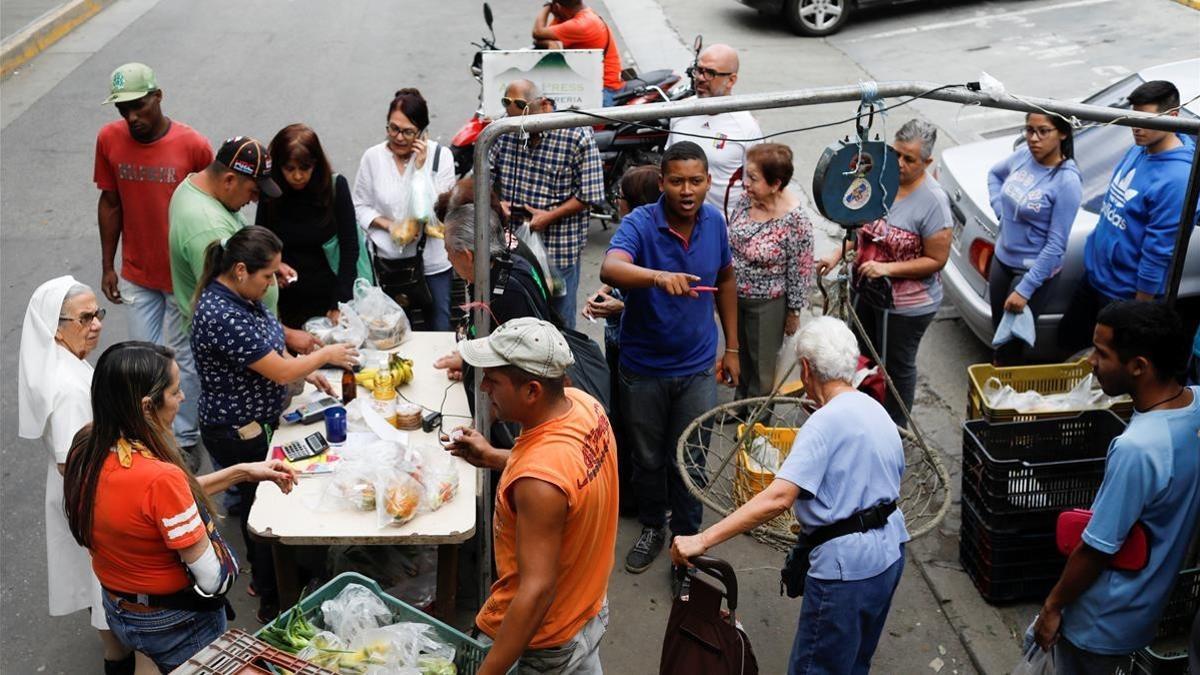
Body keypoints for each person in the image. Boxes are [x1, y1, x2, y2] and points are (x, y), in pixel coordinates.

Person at [672, 316, 908, 675]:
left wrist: (702, 540)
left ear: (806, 368)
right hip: (890, 554)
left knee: (819, 668)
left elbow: (778, 498)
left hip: (847, 571)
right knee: (855, 661)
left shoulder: (824, 423)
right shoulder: (877, 410)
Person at [63, 341, 298, 673]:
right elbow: (213, 579)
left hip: (121, 607)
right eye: (175, 391)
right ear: (147, 406)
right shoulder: (160, 478)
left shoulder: (87, 445)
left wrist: (242, 471)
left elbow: (153, 507)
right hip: (174, 621)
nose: (183, 398)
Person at [190, 226, 356, 621]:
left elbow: (268, 339)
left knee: (269, 500)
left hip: (260, 419)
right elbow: (280, 371)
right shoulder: (220, 313)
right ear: (242, 270)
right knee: (259, 513)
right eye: (269, 276)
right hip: (237, 429)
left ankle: (283, 575)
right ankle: (269, 595)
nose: (272, 284)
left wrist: (303, 363)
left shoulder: (243, 295)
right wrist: (323, 356)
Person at [440, 317, 617, 675]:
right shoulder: (585, 407)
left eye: (495, 379)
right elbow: (568, 479)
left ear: (533, 391)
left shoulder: (539, 482)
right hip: (588, 610)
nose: (485, 385)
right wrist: (495, 457)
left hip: (547, 637)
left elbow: (536, 591)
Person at [600, 141, 739, 589]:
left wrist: (732, 348)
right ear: (662, 183)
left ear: (707, 183)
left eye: (695, 181)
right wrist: (657, 277)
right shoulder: (640, 223)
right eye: (676, 180)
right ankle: (653, 527)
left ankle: (688, 546)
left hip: (698, 367)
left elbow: (726, 279)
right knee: (647, 458)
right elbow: (611, 266)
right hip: (643, 369)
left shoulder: (716, 222)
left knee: (692, 462)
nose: (686, 190)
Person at [1033, 301, 1199, 674]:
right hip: (1143, 608)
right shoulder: (1196, 405)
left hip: (1101, 618)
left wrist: (1053, 606)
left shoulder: (1137, 448)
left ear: (1139, 366)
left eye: (1102, 353)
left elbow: (1095, 548)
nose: (1091, 361)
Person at [95, 63, 214, 466]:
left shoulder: (193, 145)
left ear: (158, 96)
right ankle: (150, 437)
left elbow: (212, 206)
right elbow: (110, 202)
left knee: (183, 363)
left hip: (183, 279)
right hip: (137, 273)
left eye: (139, 105)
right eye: (123, 108)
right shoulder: (109, 140)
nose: (131, 116)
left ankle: (183, 438)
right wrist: (107, 264)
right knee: (141, 365)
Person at [18, 277, 132, 674]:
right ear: (56, 325)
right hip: (90, 497)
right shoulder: (66, 387)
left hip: (81, 493)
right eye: (85, 318)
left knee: (99, 592)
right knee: (105, 599)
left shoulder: (64, 360)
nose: (97, 323)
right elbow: (74, 463)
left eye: (97, 313)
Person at [817, 119, 953, 426]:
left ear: (927, 162)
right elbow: (859, 226)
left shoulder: (934, 203)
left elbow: (936, 259)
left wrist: (888, 268)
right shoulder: (880, 180)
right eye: (896, 154)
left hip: (906, 307)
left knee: (896, 366)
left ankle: (895, 426)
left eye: (910, 159)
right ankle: (863, 414)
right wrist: (837, 254)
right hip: (866, 291)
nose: (900, 164)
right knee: (860, 355)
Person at [1058, 80, 1196, 354]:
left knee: (1107, 370)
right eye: (1133, 117)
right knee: (1068, 346)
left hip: (1121, 297)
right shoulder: (1138, 148)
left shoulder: (1177, 179)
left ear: (1173, 116)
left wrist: (1137, 313)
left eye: (1145, 119)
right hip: (1096, 278)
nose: (1136, 126)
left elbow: (1159, 252)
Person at [489, 78, 605, 330]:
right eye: (508, 107)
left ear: (542, 105)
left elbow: (591, 194)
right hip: (514, 246)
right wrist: (499, 204)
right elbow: (482, 178)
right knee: (516, 316)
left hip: (558, 247)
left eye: (523, 114)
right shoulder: (504, 128)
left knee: (559, 322)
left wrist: (549, 215)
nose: (520, 129)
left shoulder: (575, 134)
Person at [584, 164, 661, 516]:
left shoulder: (656, 242)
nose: (615, 202)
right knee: (619, 418)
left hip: (642, 353)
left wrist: (619, 309)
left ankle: (642, 505)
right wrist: (603, 294)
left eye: (620, 197)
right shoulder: (629, 236)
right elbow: (615, 277)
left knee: (637, 428)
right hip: (619, 342)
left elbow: (659, 308)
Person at [352, 88, 456, 331]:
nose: (398, 137)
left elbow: (437, 212)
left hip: (432, 263)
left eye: (408, 132)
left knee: (439, 329)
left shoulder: (441, 158)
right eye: (393, 128)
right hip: (389, 262)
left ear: (422, 132)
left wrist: (420, 171)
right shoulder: (373, 158)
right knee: (392, 332)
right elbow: (359, 206)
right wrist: (389, 225)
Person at [987, 112, 1082, 365]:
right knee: (997, 334)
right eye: (1029, 130)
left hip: (1031, 273)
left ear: (1062, 133)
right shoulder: (1023, 156)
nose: (1034, 138)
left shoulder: (1067, 181)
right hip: (1002, 260)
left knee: (1010, 348)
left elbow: (1056, 245)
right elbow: (994, 175)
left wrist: (1025, 289)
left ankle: (1003, 397)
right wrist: (1001, 212)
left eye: (1043, 131)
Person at [727, 143, 813, 399]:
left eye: (753, 178)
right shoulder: (745, 201)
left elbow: (801, 271)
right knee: (740, 355)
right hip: (735, 296)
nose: (746, 184)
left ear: (775, 184)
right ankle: (740, 403)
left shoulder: (795, 220)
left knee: (763, 368)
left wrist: (794, 312)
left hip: (767, 304)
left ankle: (757, 423)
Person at [256, 123, 361, 328]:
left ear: (316, 164)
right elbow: (261, 242)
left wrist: (339, 303)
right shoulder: (271, 194)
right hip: (287, 302)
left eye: (305, 168)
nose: (297, 176)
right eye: (290, 169)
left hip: (330, 299)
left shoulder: (335, 189)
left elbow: (350, 248)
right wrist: (276, 266)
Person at [666, 44, 761, 216]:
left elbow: (759, 187)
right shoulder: (679, 113)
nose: (701, 78)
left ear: (731, 80)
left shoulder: (747, 128)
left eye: (710, 73)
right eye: (698, 70)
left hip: (724, 234)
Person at [531, 0, 624, 107]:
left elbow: (537, 32)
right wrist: (549, 42)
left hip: (604, 89)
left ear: (557, 6)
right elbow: (543, 37)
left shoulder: (581, 24)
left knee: (554, 111)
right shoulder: (583, 14)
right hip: (590, 82)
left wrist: (547, 6)